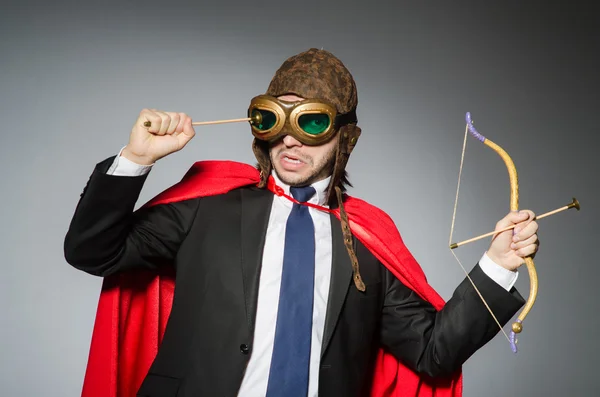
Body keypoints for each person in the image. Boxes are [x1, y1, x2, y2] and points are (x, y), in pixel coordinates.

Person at [64, 48, 538, 397]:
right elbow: (94, 251)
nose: (290, 141)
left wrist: (498, 264)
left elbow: (434, 352)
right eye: (275, 121)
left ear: (344, 137)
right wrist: (134, 161)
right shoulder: (207, 208)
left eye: (310, 124)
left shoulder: (366, 245)